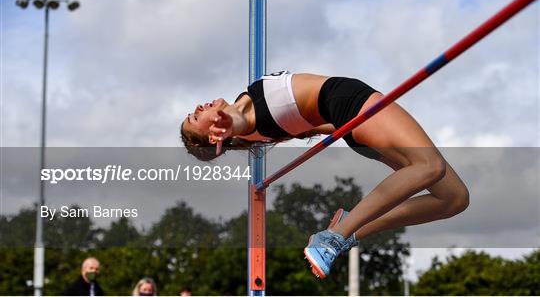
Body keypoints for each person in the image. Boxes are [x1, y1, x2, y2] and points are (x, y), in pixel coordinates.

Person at [180, 71, 469, 278]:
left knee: (455, 199)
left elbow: (317, 124)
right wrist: (230, 124)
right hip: (353, 103)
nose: (197, 107)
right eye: (196, 118)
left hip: (352, 125)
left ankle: (353, 227)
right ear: (216, 134)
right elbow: (240, 118)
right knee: (429, 166)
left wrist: (366, 130)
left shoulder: (259, 132)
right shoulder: (243, 116)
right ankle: (334, 236)